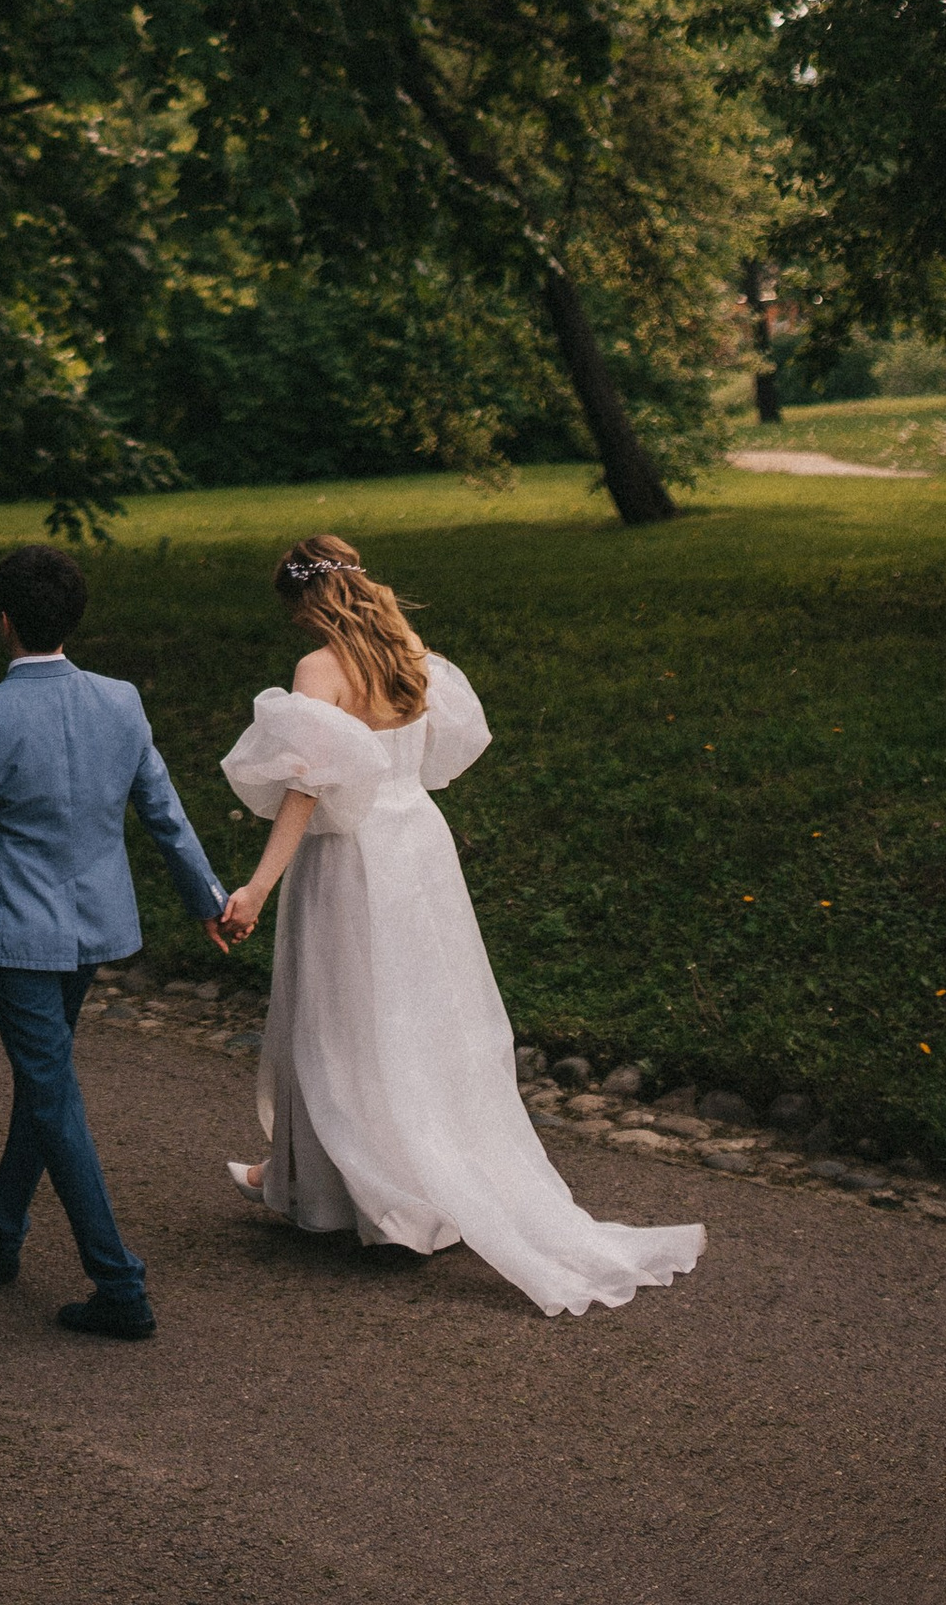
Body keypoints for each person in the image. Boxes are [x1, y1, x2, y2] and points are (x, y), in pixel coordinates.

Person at [215, 533, 704, 1319]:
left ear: (304, 600)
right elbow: (442, 749)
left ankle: (379, 1206)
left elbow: (305, 792)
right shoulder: (407, 650)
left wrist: (257, 887)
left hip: (353, 860)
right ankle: (325, 1182)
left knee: (340, 1025)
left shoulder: (318, 669)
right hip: (418, 848)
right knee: (419, 1025)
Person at [0, 539, 231, 1340]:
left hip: (18, 937)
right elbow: (164, 814)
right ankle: (2, 1223)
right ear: (73, 618)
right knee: (46, 1080)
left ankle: (120, 1284)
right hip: (94, 926)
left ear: (4, 622)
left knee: (52, 1090)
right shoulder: (121, 702)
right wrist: (206, 895)